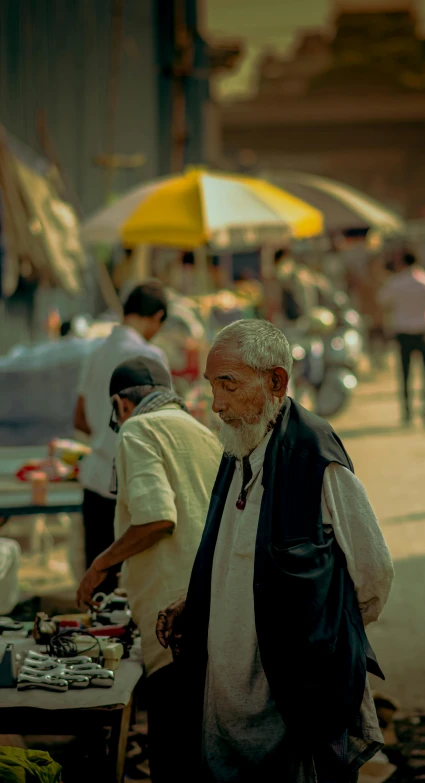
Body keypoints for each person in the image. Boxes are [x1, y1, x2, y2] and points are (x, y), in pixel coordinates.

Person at [156, 319, 394, 782]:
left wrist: (323, 633)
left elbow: (372, 572)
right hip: (228, 678)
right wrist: (198, 602)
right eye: (212, 386)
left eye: (228, 385)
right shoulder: (241, 445)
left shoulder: (314, 456)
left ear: (276, 381)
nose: (217, 404)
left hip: (291, 687)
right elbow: (234, 554)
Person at [77, 355, 222, 781]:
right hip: (213, 608)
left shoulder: (138, 429)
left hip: (173, 623)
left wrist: (99, 566)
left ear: (121, 405)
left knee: (175, 759)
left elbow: (158, 518)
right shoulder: (200, 431)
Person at [74, 280, 169, 595]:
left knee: (98, 588)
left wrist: (105, 430)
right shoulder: (150, 357)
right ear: (155, 317)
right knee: (132, 589)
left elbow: (80, 417)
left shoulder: (97, 351)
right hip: (132, 486)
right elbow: (164, 424)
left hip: (95, 479)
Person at [378, 252, 425, 426]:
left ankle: (407, 412)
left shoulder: (395, 283)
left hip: (403, 332)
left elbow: (383, 301)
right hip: (424, 331)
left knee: (405, 374)